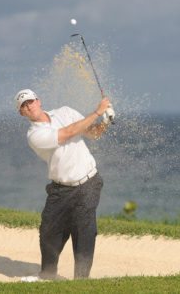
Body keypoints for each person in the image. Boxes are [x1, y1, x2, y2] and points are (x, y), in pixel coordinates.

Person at [14, 89, 114, 281]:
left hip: (88, 182)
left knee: (84, 229)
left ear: (38, 101)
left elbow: (92, 133)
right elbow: (68, 133)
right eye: (24, 105)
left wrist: (106, 120)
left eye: (31, 101)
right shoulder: (34, 135)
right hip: (60, 189)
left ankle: (81, 281)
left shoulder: (65, 112)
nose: (29, 106)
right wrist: (96, 112)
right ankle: (48, 275)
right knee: (49, 231)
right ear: (22, 113)